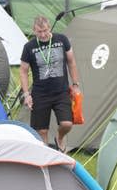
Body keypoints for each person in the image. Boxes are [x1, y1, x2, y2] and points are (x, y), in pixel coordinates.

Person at [20, 16, 81, 153]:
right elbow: (23, 71)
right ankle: (47, 160)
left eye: (45, 30)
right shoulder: (29, 47)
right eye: (39, 31)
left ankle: (59, 138)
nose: (42, 34)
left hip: (61, 92)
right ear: (34, 30)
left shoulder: (62, 40)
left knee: (67, 124)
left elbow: (71, 62)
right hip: (40, 94)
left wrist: (75, 84)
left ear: (50, 28)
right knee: (41, 130)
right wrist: (26, 94)